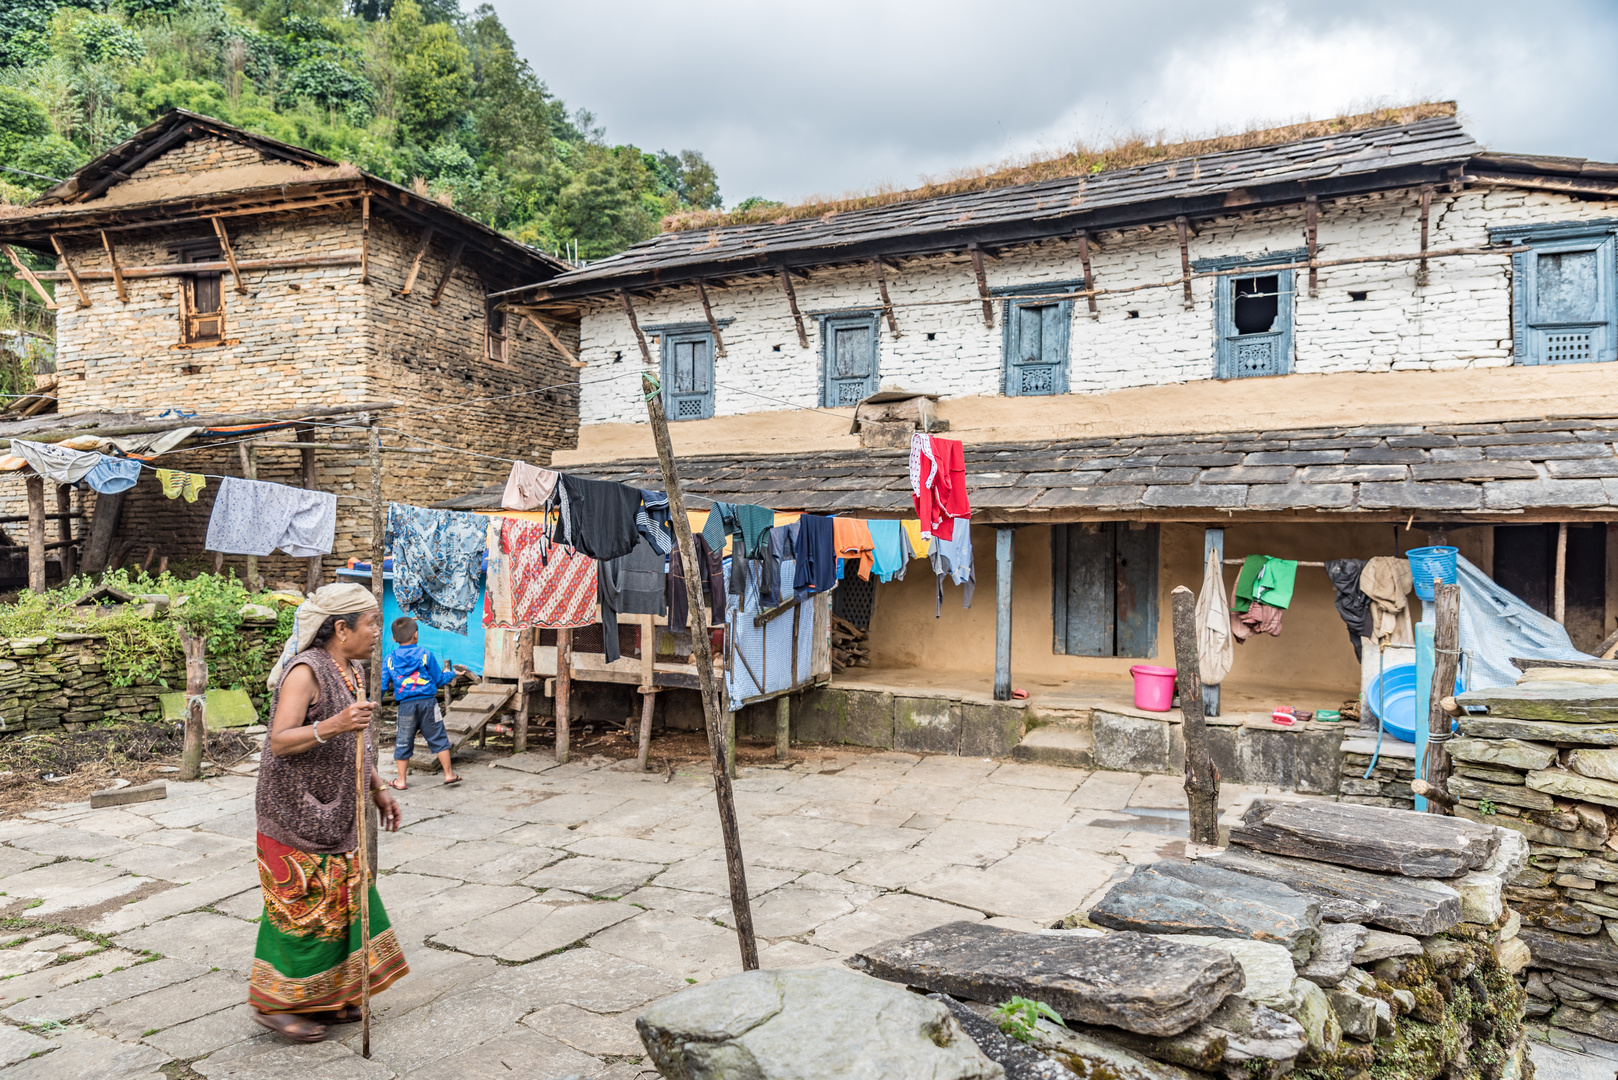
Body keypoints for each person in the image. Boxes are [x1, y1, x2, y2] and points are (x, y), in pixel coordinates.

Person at [251, 583, 408, 1043]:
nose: (378, 631)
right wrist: (335, 723)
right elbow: (280, 740)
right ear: (341, 629)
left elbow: (359, 744)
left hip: (339, 809)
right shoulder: (306, 672)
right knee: (299, 907)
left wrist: (378, 788)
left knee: (341, 905)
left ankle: (324, 998)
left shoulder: (353, 670)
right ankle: (275, 1005)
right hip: (294, 810)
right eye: (371, 623)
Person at [381, 616, 466, 788]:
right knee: (438, 737)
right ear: (416, 636)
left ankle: (401, 780)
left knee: (403, 740)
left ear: (394, 638)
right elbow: (438, 679)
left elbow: (382, 686)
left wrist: (371, 702)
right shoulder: (426, 654)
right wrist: (452, 674)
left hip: (405, 707)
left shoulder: (389, 659)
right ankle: (449, 774)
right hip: (429, 703)